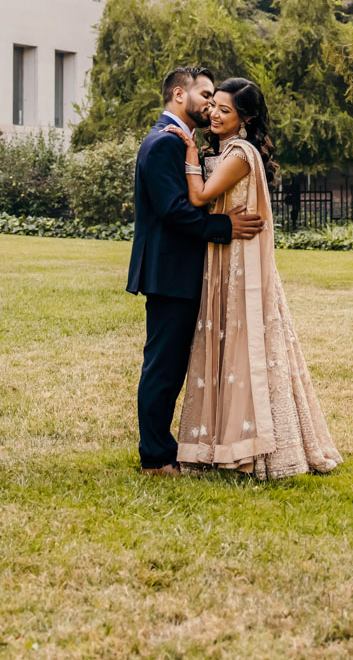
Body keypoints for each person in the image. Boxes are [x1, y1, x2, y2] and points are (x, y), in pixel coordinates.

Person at [173, 77, 341, 479]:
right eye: (213, 105)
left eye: (225, 111)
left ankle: (257, 446)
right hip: (222, 256)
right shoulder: (228, 149)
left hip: (239, 263)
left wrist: (191, 152)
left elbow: (199, 197)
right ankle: (220, 440)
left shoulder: (240, 153)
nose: (214, 113)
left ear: (245, 119)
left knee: (246, 346)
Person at [129, 65, 264, 475]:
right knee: (164, 367)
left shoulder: (182, 142)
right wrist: (224, 227)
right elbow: (174, 212)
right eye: (205, 95)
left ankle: (170, 448)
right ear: (178, 96)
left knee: (172, 366)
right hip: (170, 273)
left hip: (180, 271)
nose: (210, 104)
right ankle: (154, 457)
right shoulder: (164, 144)